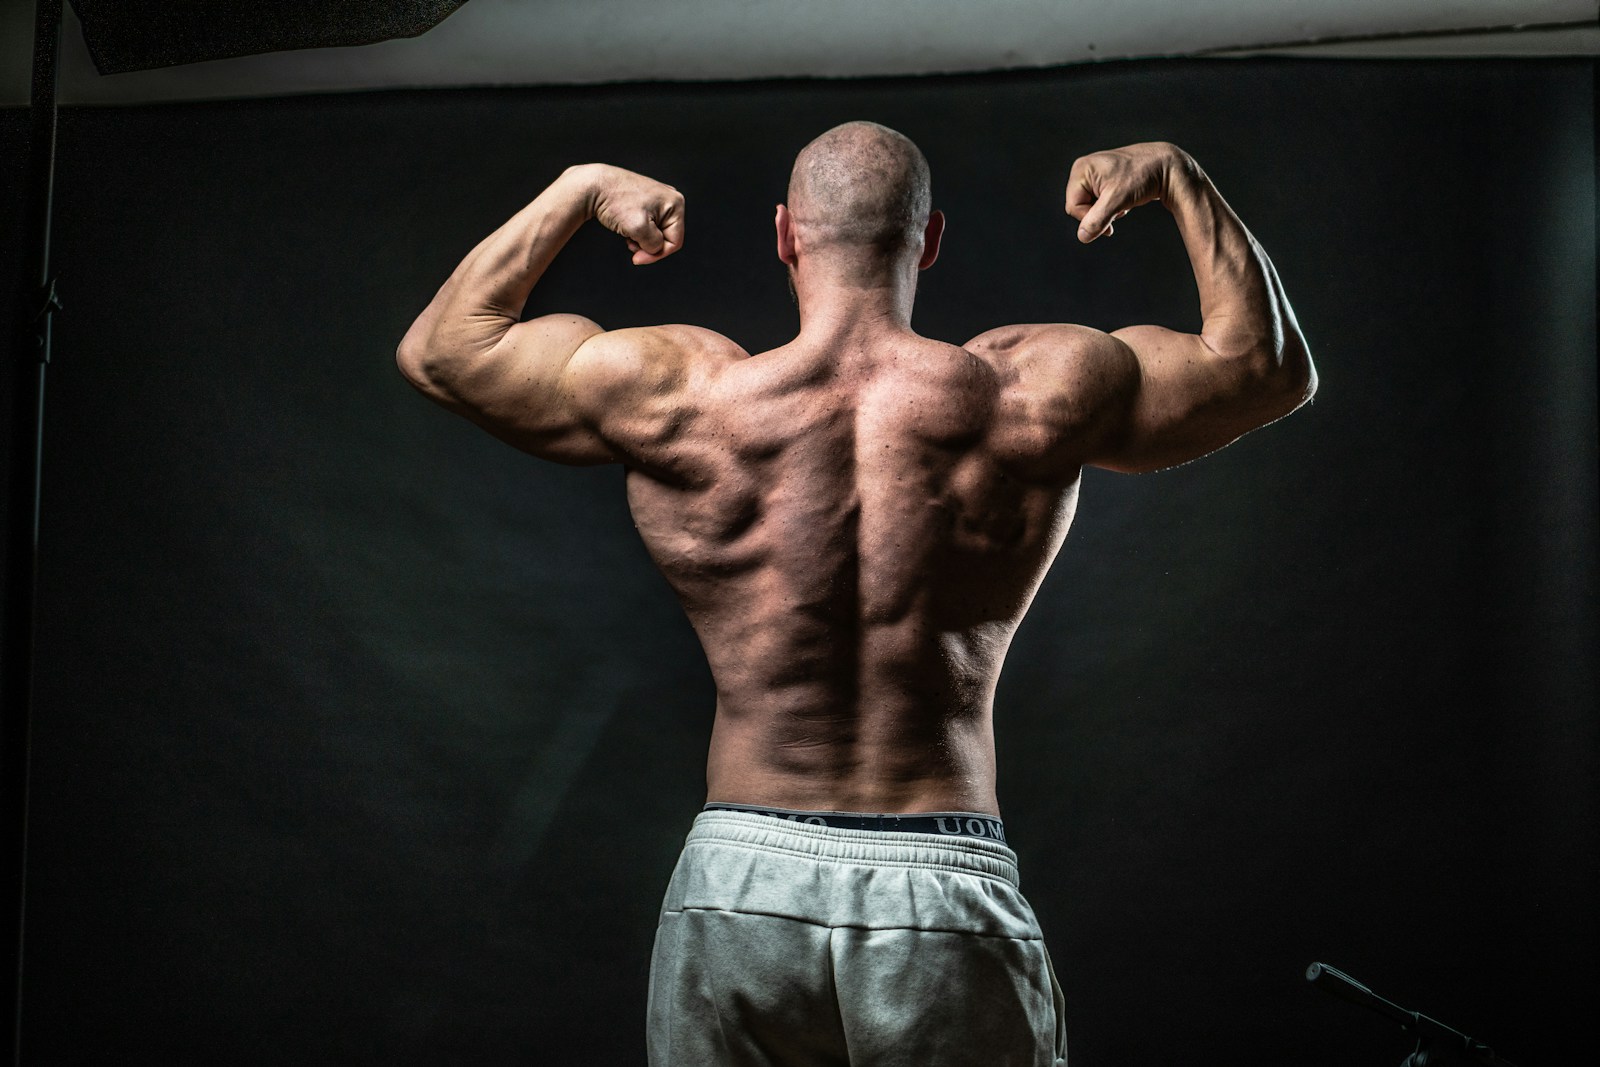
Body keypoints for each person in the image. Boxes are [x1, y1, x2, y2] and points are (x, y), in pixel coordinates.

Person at [396, 122, 1315, 1066]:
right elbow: (1268, 369)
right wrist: (1177, 176)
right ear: (930, 239)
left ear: (787, 234)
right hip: (940, 876)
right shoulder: (1033, 389)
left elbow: (443, 353)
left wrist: (578, 188)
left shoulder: (681, 394)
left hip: (741, 876)